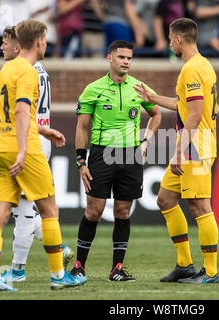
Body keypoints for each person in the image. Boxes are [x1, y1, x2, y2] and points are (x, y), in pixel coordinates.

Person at [0, 25, 75, 284]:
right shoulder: (35, 70)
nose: (2, 47)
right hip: (31, 137)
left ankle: (18, 269)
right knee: (33, 209)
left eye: (6, 42)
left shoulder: (20, 69)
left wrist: (1, 139)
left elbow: (18, 111)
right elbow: (12, 106)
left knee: (23, 211)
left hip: (28, 141)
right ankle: (56, 258)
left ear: (19, 45)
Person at [134, 18, 219, 284]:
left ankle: (211, 272)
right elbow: (184, 105)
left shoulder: (192, 69)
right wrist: (153, 98)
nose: (170, 43)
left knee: (199, 205)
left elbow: (194, 115)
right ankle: (184, 265)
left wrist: (180, 151)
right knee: (165, 199)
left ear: (179, 39)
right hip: (195, 142)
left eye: (171, 39)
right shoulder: (200, 65)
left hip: (196, 144)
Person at [71, 40, 161, 282]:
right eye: (121, 57)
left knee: (123, 212)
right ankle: (79, 266)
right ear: (109, 58)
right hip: (101, 155)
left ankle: (117, 269)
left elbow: (156, 114)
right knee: (94, 211)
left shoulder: (139, 88)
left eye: (129, 58)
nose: (126, 62)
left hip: (130, 155)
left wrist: (145, 141)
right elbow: (82, 127)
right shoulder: (93, 88)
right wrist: (81, 161)